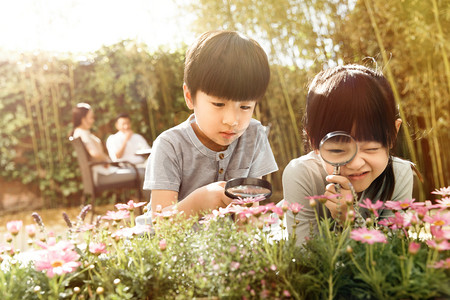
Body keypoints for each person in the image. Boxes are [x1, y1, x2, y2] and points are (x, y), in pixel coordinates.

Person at [140, 30, 278, 220]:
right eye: (218, 104)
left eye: (245, 106)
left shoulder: (254, 135)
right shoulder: (170, 146)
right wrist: (198, 203)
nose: (232, 120)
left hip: (226, 247)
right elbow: (160, 227)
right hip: (174, 246)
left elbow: (250, 213)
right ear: (189, 97)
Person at [282, 64, 414, 245]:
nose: (356, 163)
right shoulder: (301, 175)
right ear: (314, 141)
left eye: (371, 148)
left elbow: (393, 256)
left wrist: (351, 221)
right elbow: (303, 260)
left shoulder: (400, 173)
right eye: (338, 150)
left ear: (393, 134)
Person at [71, 103, 141, 186]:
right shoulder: (82, 133)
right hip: (102, 174)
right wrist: (106, 160)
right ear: (83, 119)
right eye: (91, 117)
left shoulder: (80, 132)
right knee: (142, 174)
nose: (93, 120)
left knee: (140, 172)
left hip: (101, 172)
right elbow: (95, 153)